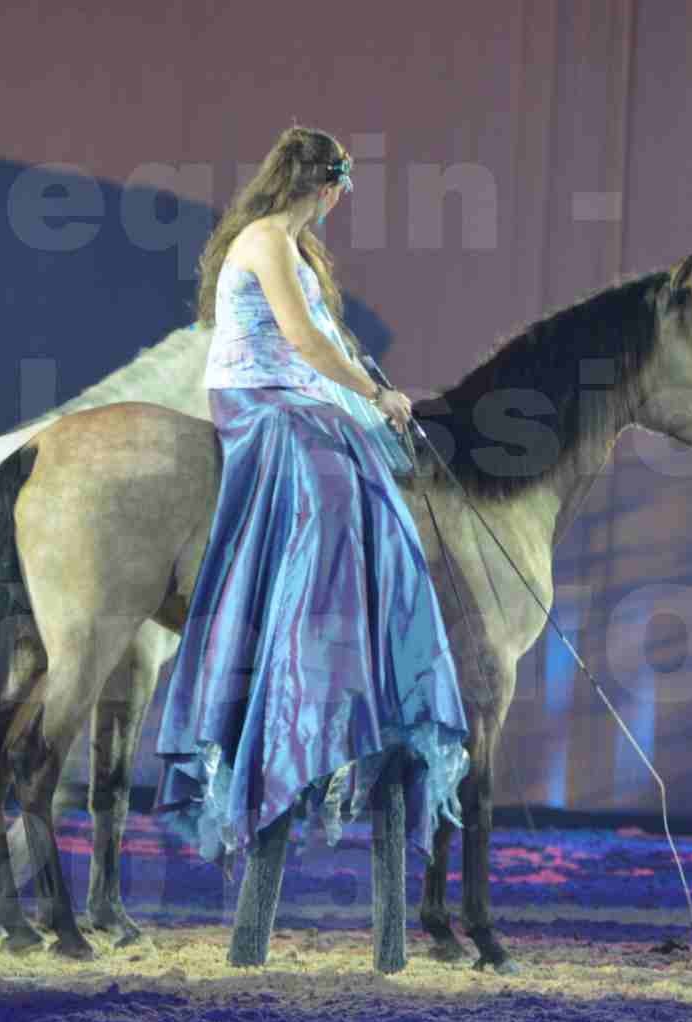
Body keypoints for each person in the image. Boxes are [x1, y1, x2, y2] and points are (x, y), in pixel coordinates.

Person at [154, 125, 470, 878]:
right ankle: (304, 654)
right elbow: (300, 339)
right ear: (327, 191)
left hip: (298, 397)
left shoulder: (292, 246)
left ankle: (370, 661)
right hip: (260, 401)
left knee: (371, 478)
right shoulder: (266, 239)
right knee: (333, 486)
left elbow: (323, 342)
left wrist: (367, 399)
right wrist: (375, 393)